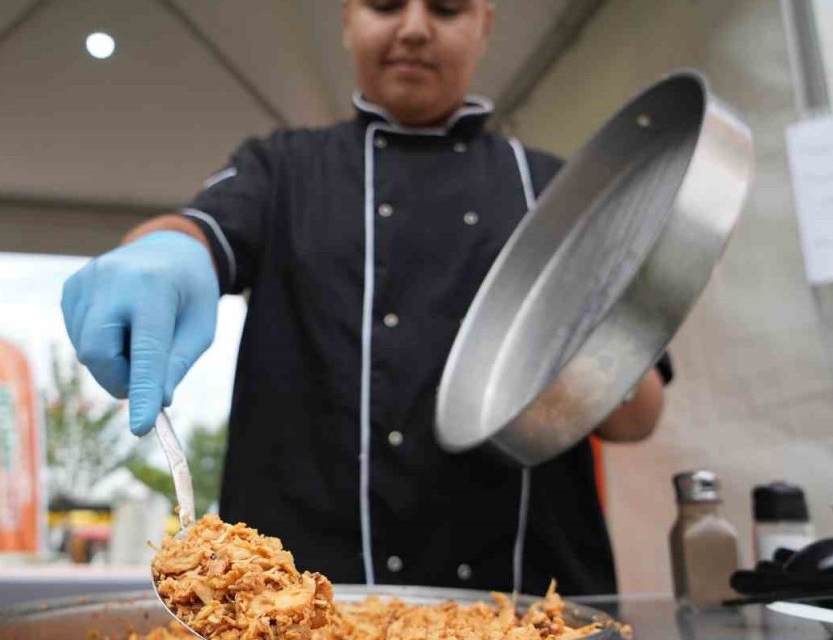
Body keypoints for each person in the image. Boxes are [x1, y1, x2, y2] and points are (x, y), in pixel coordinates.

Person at [61, 0, 672, 595]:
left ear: (485, 25)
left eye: (446, 10)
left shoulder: (555, 191)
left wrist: (591, 335)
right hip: (297, 603)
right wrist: (162, 258)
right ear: (348, 21)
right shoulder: (282, 169)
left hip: (522, 600)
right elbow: (198, 228)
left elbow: (634, 418)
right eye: (384, 6)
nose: (413, 29)